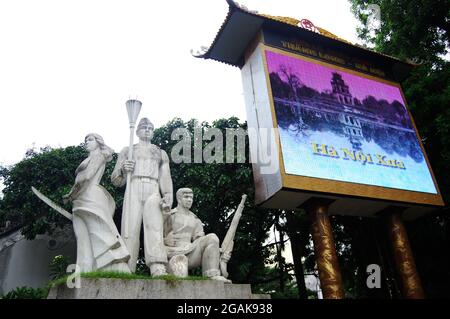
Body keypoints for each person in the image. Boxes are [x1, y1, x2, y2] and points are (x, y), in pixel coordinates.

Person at [111, 118, 173, 275]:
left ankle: (157, 266)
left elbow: (165, 176)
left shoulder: (160, 152)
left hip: (153, 188)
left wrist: (167, 194)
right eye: (144, 127)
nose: (147, 130)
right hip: (133, 187)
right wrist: (124, 169)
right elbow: (116, 180)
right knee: (129, 229)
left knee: (155, 228)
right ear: (137, 131)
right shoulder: (128, 150)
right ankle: (127, 265)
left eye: (150, 128)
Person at [63, 133, 130, 273]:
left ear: (99, 142)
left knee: (99, 231)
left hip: (89, 195)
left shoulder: (98, 156)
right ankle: (84, 269)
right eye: (85, 140)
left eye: (90, 140)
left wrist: (71, 193)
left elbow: (87, 176)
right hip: (80, 197)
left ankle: (116, 265)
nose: (87, 142)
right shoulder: (90, 157)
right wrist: (73, 195)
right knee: (82, 236)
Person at [164, 188, 231, 282]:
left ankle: (212, 275)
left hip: (191, 252)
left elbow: (200, 240)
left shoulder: (195, 219)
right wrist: (164, 240)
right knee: (180, 277)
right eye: (186, 197)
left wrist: (217, 250)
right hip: (173, 253)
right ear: (179, 199)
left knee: (212, 238)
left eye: (191, 197)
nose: (189, 200)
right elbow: (155, 236)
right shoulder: (169, 215)